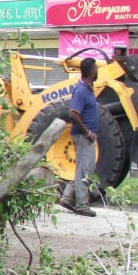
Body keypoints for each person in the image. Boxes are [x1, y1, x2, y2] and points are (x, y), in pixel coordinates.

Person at [57, 57, 99, 217]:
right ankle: (82, 205)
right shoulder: (81, 91)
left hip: (88, 136)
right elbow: (73, 114)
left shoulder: (88, 89)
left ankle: (67, 198)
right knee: (84, 170)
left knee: (86, 168)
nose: (97, 71)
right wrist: (87, 132)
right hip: (83, 136)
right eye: (96, 68)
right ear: (91, 72)